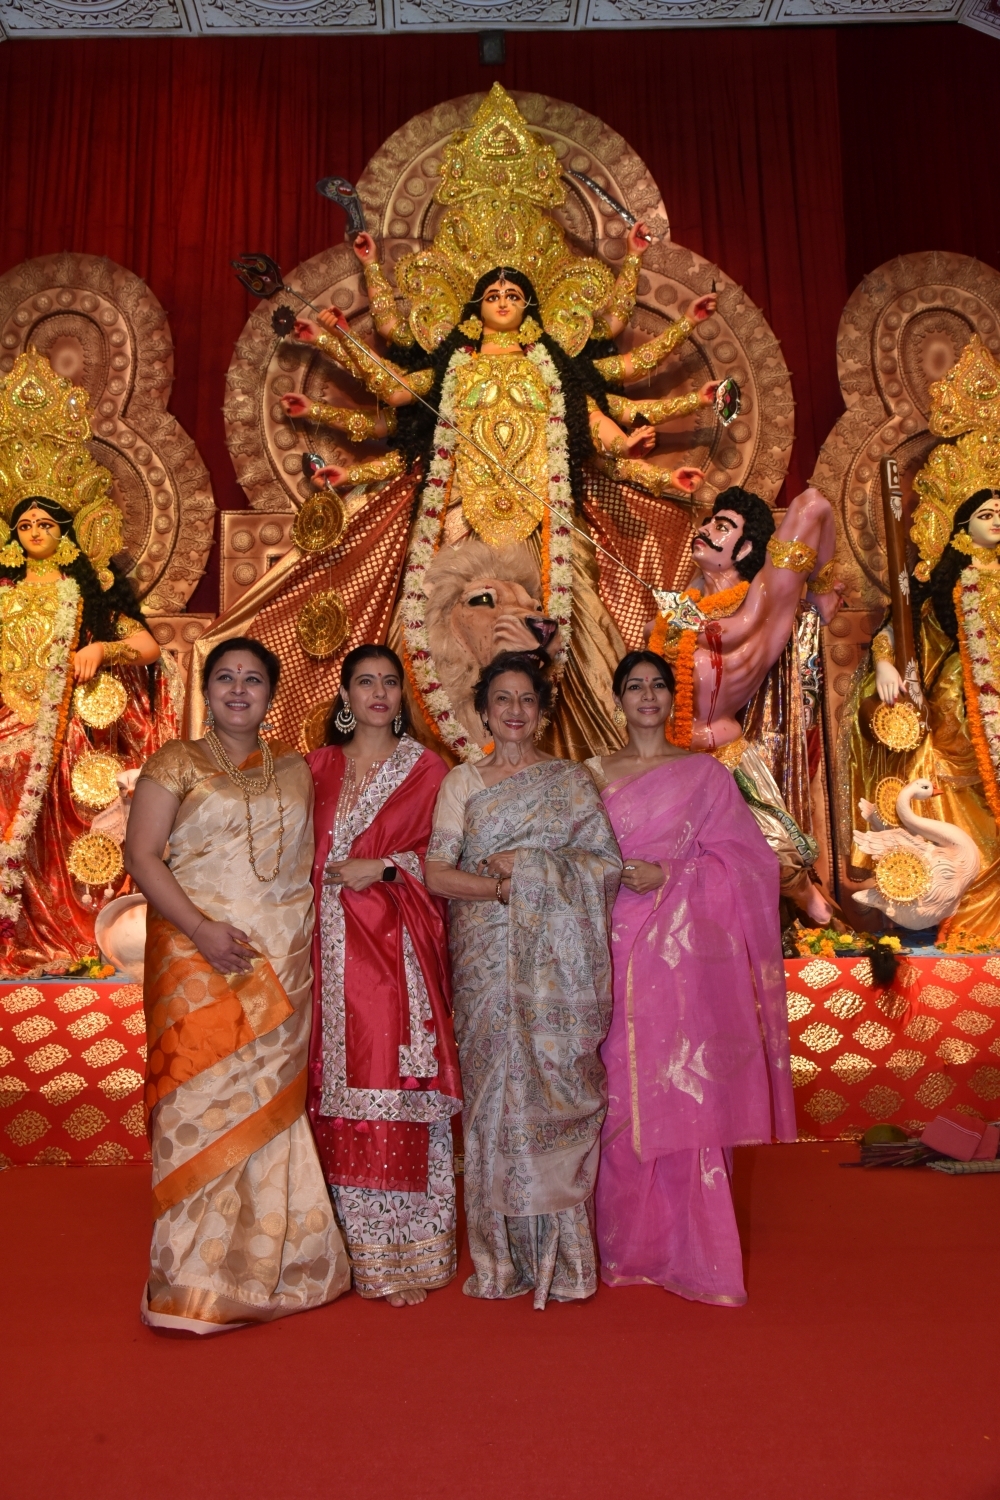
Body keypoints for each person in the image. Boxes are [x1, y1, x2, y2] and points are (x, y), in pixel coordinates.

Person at [278, 84, 718, 764]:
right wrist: (347, 314)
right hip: (458, 512)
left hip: (544, 520)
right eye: (493, 294)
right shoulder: (452, 366)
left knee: (563, 626)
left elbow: (593, 427)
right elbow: (395, 390)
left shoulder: (553, 366)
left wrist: (629, 445)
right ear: (474, 307)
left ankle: (572, 761)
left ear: (533, 305)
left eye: (515, 293)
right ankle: (436, 756)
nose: (504, 300)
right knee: (437, 623)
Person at [124, 636, 349, 1333]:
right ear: (209, 689)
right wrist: (199, 928)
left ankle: (278, 1267)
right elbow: (142, 855)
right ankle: (190, 1278)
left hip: (278, 963)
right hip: (195, 962)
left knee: (268, 1112)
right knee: (198, 1110)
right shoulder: (176, 762)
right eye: (225, 678)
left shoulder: (293, 768)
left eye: (254, 679)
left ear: (271, 692)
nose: (239, 690)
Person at [587, 651, 795, 1306]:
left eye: (656, 686)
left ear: (669, 699)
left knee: (684, 1089)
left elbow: (751, 864)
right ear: (617, 698)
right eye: (633, 687)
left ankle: (690, 1249)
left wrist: (672, 877)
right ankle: (623, 1247)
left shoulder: (705, 775)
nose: (645, 696)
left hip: (683, 961)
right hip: (611, 950)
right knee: (617, 1095)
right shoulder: (590, 775)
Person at [425, 651, 621, 1309]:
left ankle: (562, 1261)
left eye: (525, 701)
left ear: (541, 712)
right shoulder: (463, 783)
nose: (513, 711)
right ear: (483, 710)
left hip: (555, 970)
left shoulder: (570, 783)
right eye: (501, 700)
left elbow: (605, 867)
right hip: (486, 961)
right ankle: (502, 1260)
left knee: (550, 1090)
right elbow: (436, 873)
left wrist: (534, 867)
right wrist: (505, 890)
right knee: (496, 1098)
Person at [0, 349, 178, 977]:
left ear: (69, 530)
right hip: (6, 733)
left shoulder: (92, 593)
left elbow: (151, 648)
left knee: (74, 837)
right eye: (24, 524)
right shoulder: (3, 593)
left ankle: (73, 937)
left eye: (46, 521)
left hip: (68, 740)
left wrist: (102, 648)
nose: (35, 530)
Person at [306, 644, 462, 1307]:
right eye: (364, 682)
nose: (377, 693)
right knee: (327, 1093)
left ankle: (406, 1253)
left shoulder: (430, 771)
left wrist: (389, 867)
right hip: (320, 956)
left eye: (389, 683)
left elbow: (452, 857)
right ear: (343, 695)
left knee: (392, 1089)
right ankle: (341, 1252)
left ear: (404, 696)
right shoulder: (313, 769)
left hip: (394, 960)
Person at [647, 485, 842, 925]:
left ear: (747, 546)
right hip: (668, 758)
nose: (705, 530)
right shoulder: (686, 604)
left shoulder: (760, 603)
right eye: (708, 521)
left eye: (722, 526)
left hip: (724, 757)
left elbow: (814, 503)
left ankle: (806, 897)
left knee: (773, 852)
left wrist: (820, 588)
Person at [848, 490, 1000, 947]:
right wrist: (883, 663)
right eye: (986, 514)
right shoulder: (946, 584)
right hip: (958, 727)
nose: (996, 521)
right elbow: (897, 629)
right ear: (961, 528)